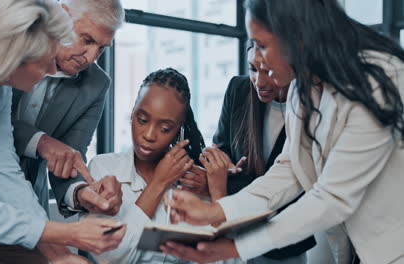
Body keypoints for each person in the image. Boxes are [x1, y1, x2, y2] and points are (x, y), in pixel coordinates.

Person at [161, 0, 404, 263]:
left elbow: (332, 197)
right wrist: (218, 211)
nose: (254, 57)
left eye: (262, 45)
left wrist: (236, 247)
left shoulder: (379, 79)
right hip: (358, 245)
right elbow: (289, 169)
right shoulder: (303, 88)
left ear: (297, 37)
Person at [0, 1, 125, 263]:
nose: (51, 71)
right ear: (15, 51)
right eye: (44, 60)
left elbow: (4, 171)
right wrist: (69, 235)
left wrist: (58, 254)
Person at [205, 40, 316, 264]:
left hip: (284, 240)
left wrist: (226, 184)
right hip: (236, 229)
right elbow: (221, 146)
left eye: (268, 71)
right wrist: (220, 164)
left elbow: (296, 181)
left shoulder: (309, 106)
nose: (260, 82)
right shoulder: (237, 89)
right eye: (253, 69)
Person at [12, 0, 125, 217]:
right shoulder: (14, 46)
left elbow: (71, 154)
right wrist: (42, 142)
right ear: (62, 17)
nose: (91, 58)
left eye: (101, 48)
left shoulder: (97, 84)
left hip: (29, 204)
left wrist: (82, 193)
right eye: (87, 39)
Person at [85, 68, 208, 263]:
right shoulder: (103, 168)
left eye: (165, 128)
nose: (149, 135)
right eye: (142, 120)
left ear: (179, 130)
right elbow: (110, 257)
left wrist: (217, 191)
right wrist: (158, 184)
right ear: (133, 111)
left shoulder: (194, 181)